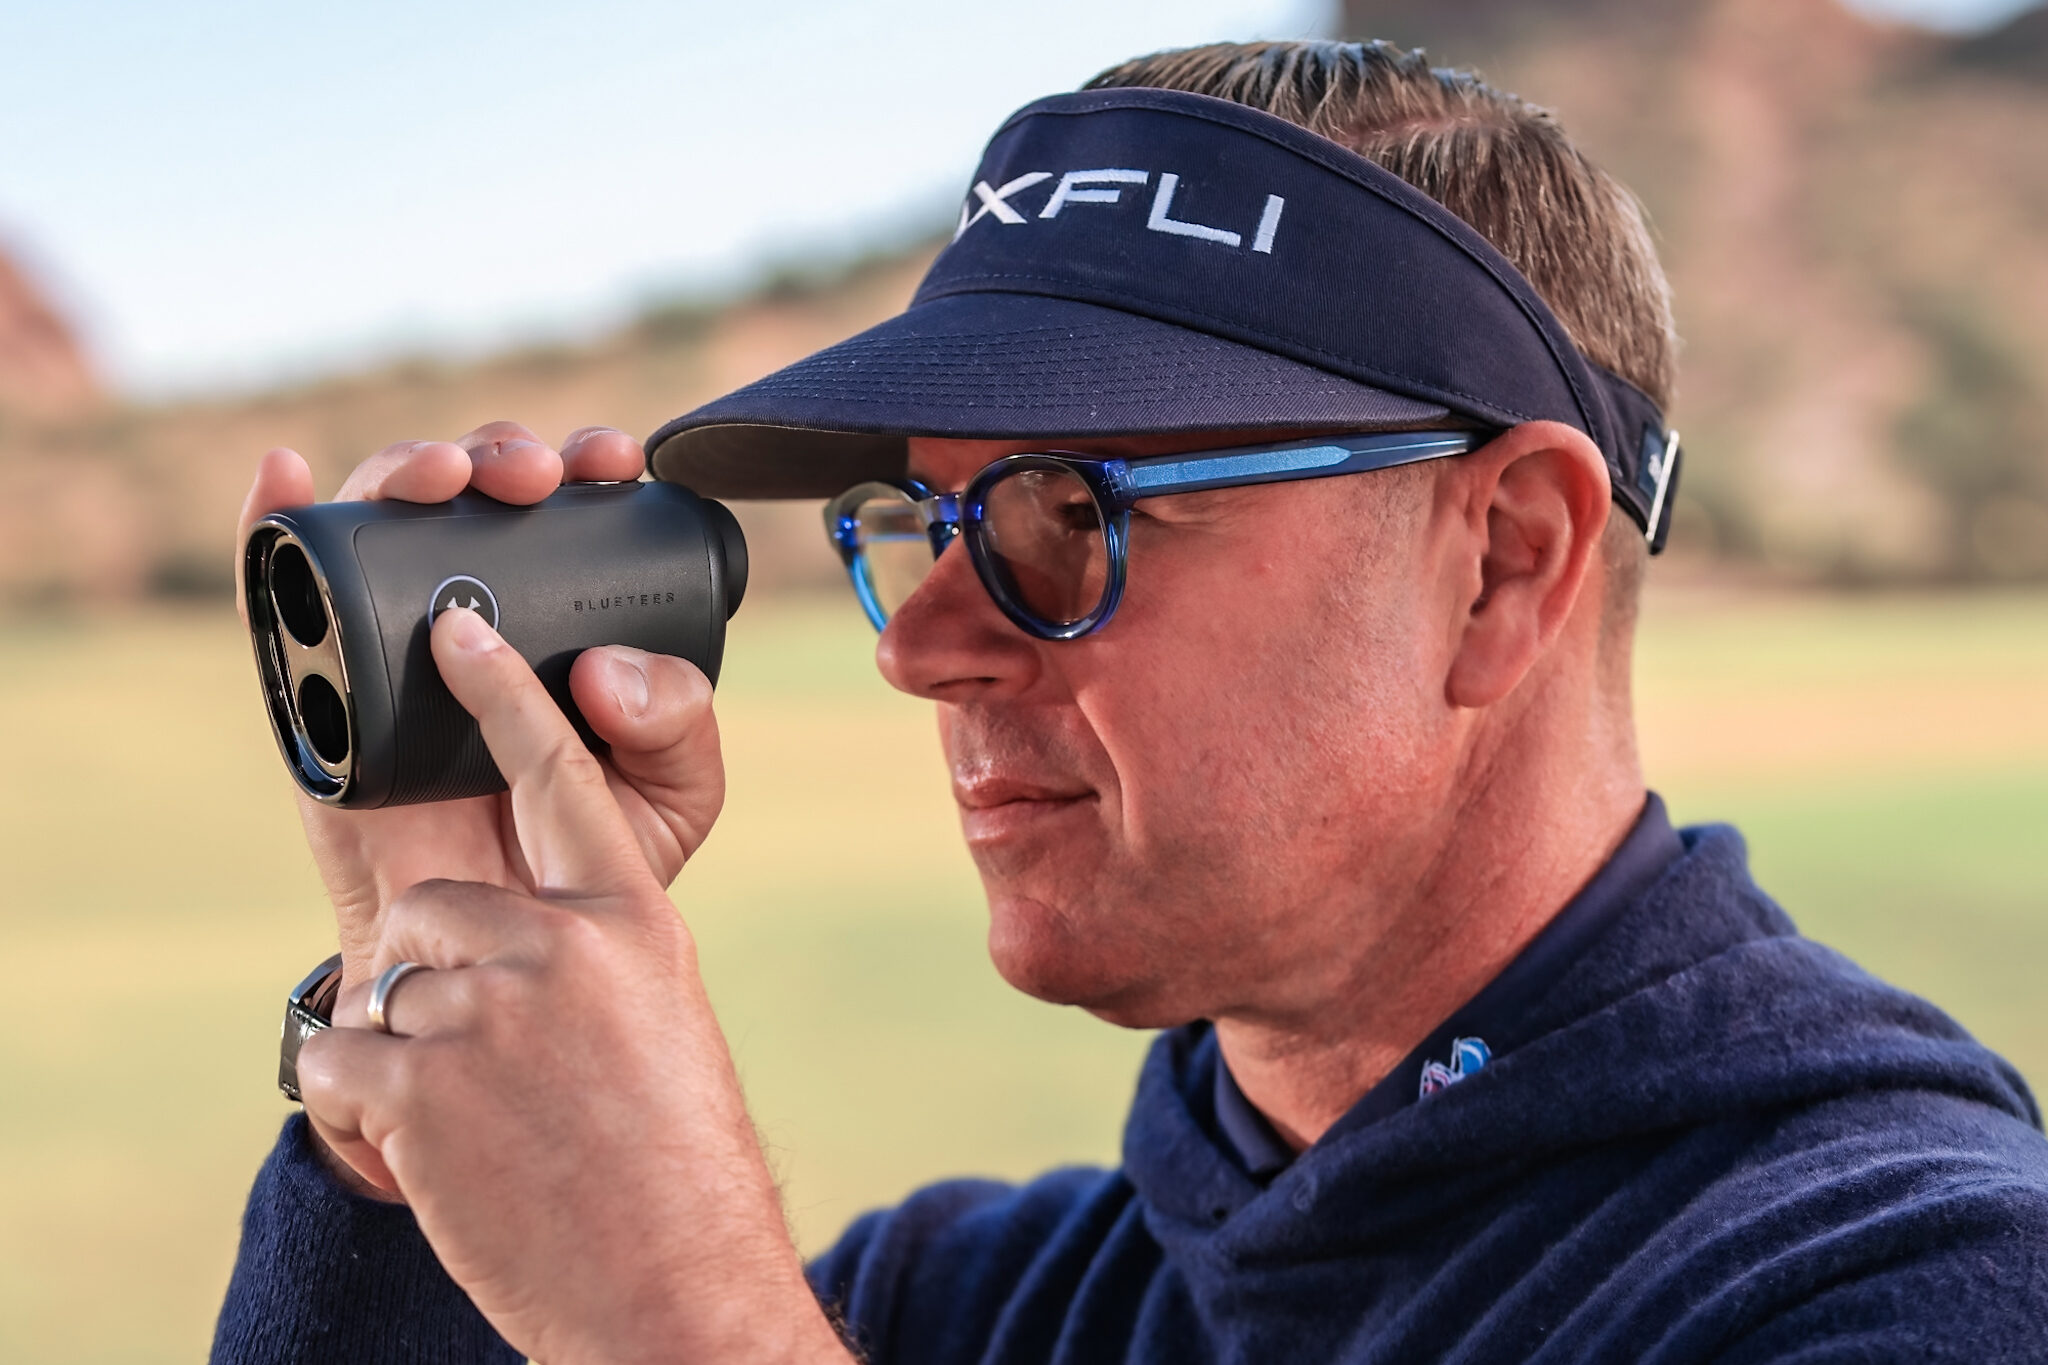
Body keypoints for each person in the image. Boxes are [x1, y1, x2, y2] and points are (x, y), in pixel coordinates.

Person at [211, 40, 2048, 1365]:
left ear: (1504, 561)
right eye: (914, 521)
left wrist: (682, 1327)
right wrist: (421, 1029)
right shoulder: (960, 1307)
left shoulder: (1923, 1286)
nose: (918, 643)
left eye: (1065, 513)